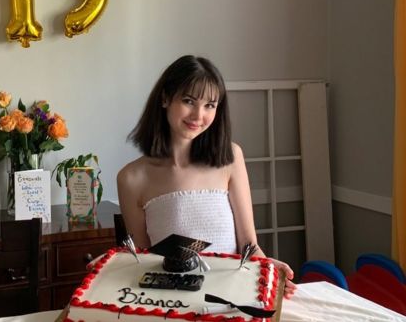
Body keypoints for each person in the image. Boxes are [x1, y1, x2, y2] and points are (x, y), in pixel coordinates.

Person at [117, 55, 296, 298]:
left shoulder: (231, 157)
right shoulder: (131, 178)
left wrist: (267, 269)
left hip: (232, 297)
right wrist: (112, 266)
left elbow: (249, 245)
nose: (198, 115)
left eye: (210, 105)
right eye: (189, 101)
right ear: (165, 98)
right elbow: (143, 261)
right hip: (174, 302)